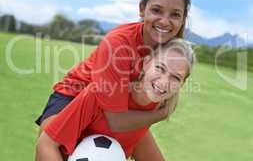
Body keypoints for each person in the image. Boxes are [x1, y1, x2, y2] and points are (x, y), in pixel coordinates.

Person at [35, 0, 191, 160]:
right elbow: (115, 120)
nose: (165, 21)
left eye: (175, 14)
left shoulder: (170, 52)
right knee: (53, 146)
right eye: (157, 10)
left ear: (183, 19)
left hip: (117, 106)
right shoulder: (118, 44)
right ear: (142, 9)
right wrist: (162, 114)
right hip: (76, 96)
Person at [36, 38, 195, 161]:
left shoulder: (159, 104)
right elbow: (46, 144)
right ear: (146, 63)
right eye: (160, 68)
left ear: (182, 83)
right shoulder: (102, 93)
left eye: (175, 77)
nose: (164, 82)